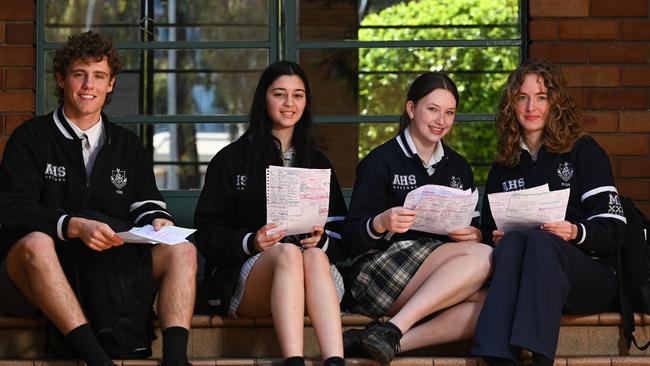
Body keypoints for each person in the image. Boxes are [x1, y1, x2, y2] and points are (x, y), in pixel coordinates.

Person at [0, 31, 197, 366]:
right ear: (61, 79)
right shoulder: (30, 138)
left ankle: (176, 360)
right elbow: (11, 209)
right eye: (79, 74)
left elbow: (146, 201)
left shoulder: (127, 145)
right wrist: (72, 226)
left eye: (99, 76)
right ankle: (97, 361)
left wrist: (156, 220)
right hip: (41, 270)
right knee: (36, 243)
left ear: (111, 84)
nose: (88, 85)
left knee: (184, 249)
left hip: (110, 269)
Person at [471, 59, 625, 366]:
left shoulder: (585, 151)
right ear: (511, 105)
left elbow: (615, 230)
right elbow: (488, 231)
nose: (531, 107)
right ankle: (498, 358)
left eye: (541, 97)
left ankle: (541, 359)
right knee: (514, 242)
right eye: (522, 97)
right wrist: (495, 238)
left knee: (542, 241)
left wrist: (573, 231)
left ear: (556, 103)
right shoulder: (504, 165)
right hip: (529, 275)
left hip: (589, 276)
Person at [194, 61, 347, 366]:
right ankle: (294, 360)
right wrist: (252, 241)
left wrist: (323, 240)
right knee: (287, 253)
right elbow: (207, 233)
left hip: (314, 281)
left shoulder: (318, 162)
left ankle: (335, 361)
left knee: (315, 256)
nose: (290, 104)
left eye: (298, 95)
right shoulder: (231, 159)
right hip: (250, 280)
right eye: (280, 94)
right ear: (264, 98)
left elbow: (344, 233)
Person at [341, 72, 492, 365]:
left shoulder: (459, 167)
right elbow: (348, 239)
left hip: (440, 273)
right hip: (377, 272)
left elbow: (474, 229)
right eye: (432, 109)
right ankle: (395, 327)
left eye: (449, 113)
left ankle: (383, 340)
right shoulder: (380, 161)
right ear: (411, 109)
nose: (441, 120)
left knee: (492, 304)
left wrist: (474, 235)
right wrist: (381, 222)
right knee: (484, 257)